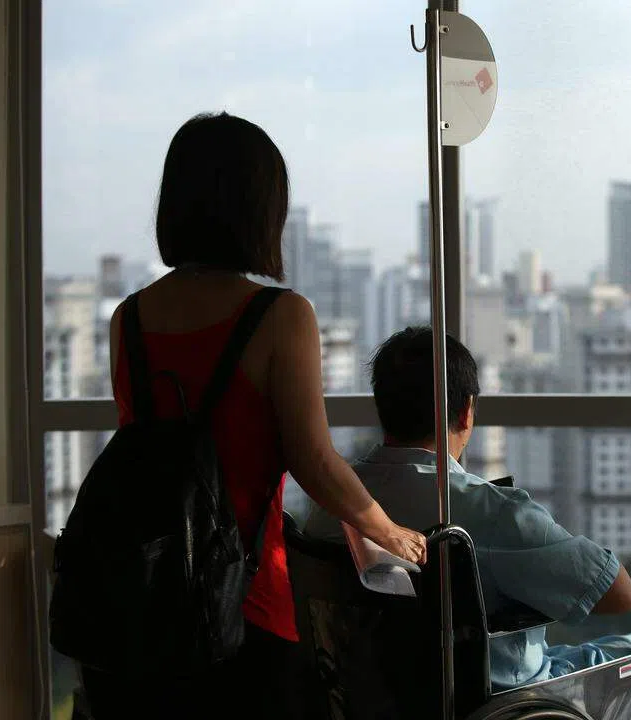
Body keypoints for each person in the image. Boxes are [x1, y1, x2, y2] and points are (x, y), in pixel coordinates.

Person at [82, 112, 427, 719]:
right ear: (260, 209)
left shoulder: (127, 319)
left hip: (139, 604)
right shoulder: (279, 317)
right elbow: (312, 459)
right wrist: (387, 529)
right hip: (239, 605)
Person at [305, 327, 631, 720]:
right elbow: (619, 595)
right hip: (499, 701)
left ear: (382, 407)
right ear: (466, 411)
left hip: (373, 703)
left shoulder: (332, 507)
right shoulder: (488, 512)